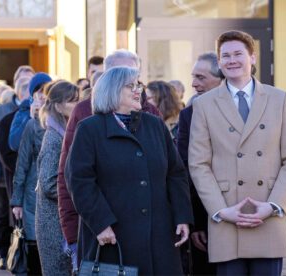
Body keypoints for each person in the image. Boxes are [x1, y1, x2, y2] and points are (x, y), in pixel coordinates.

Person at [188, 30, 286, 276]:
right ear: (219, 63)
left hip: (268, 215)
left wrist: (273, 205)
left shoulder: (279, 99)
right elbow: (198, 164)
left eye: (238, 54)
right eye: (225, 56)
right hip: (228, 215)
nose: (231, 60)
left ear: (252, 57)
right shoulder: (204, 104)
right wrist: (220, 210)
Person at [65, 66, 193, 275]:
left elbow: (175, 173)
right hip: (113, 237)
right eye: (130, 86)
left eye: (138, 85)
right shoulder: (90, 129)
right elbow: (79, 181)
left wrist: (181, 216)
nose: (138, 91)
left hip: (159, 237)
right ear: (111, 90)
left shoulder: (155, 125)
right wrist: (100, 224)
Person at [57, 49, 161, 273]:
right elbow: (72, 176)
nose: (131, 84)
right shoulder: (85, 112)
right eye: (120, 75)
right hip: (107, 226)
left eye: (134, 77)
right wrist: (73, 229)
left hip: (147, 227)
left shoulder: (150, 114)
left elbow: (167, 170)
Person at [177, 52, 223, 275]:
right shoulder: (189, 115)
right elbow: (187, 171)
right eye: (193, 77)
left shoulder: (252, 110)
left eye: (201, 78)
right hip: (206, 224)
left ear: (222, 79)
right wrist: (196, 224)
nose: (194, 84)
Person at [0, 74, 31, 270]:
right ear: (21, 92)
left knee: (19, 220)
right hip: (4, 177)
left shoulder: (35, 111)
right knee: (4, 216)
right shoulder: (2, 113)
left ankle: (20, 257)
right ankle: (4, 253)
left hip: (23, 177)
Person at [35, 81, 79, 276]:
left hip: (60, 220)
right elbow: (49, 183)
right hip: (54, 224)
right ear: (59, 106)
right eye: (73, 101)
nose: (77, 105)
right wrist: (78, 194)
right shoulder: (54, 138)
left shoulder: (65, 132)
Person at [9, 81, 48, 275]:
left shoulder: (66, 123)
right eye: (38, 92)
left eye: (46, 91)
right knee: (33, 247)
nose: (42, 96)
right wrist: (16, 201)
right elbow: (21, 164)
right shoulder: (32, 124)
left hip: (55, 195)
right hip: (32, 196)